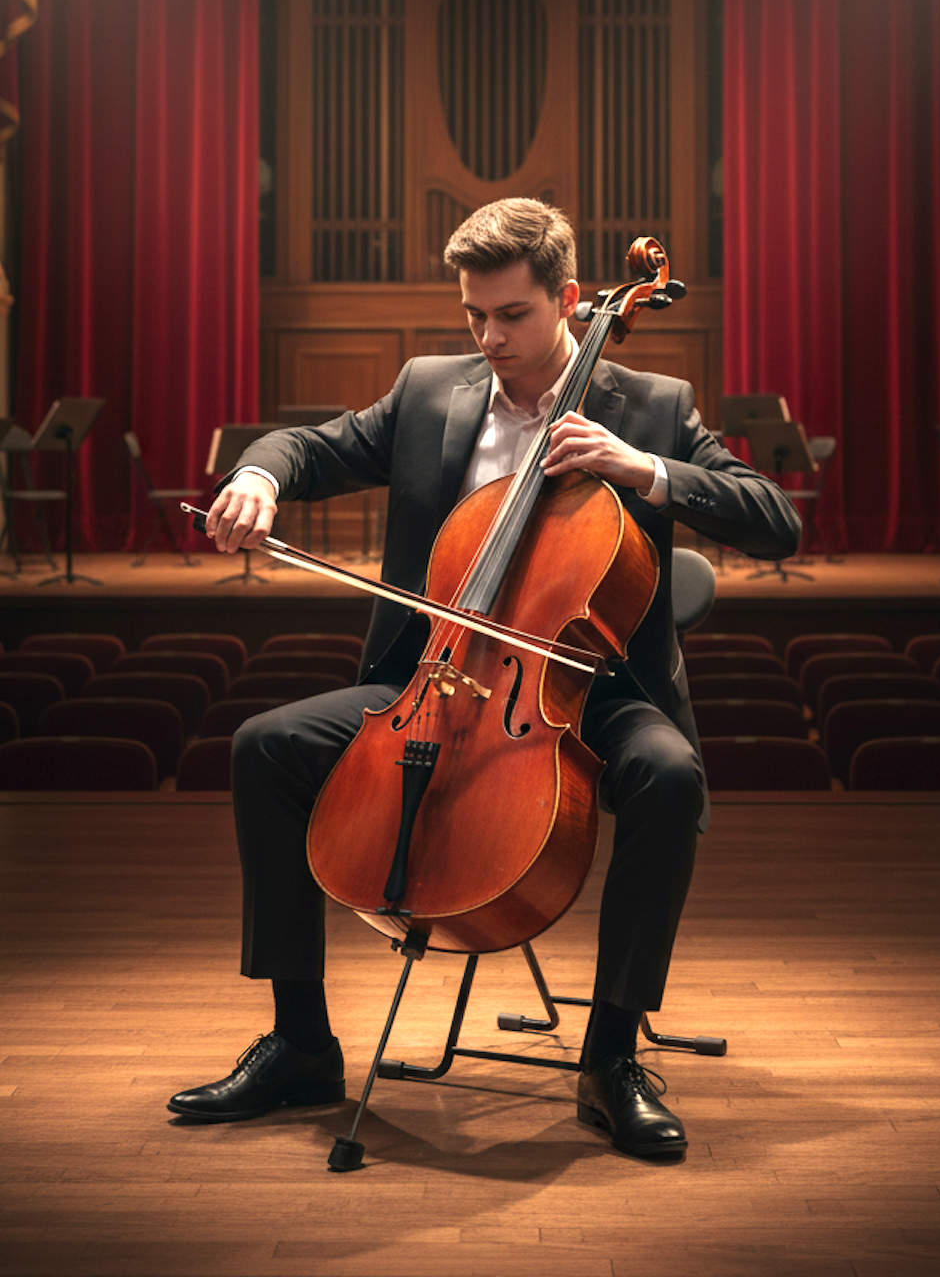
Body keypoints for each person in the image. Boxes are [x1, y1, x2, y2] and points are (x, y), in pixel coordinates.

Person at [167, 197, 801, 1159]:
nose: (491, 337)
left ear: (571, 300)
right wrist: (259, 477)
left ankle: (611, 1057)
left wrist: (643, 469)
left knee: (669, 779)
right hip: (440, 674)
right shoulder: (430, 392)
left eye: (512, 315)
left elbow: (774, 517)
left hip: (597, 685)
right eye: (475, 316)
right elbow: (306, 445)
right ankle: (299, 1041)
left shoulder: (654, 407)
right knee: (266, 748)